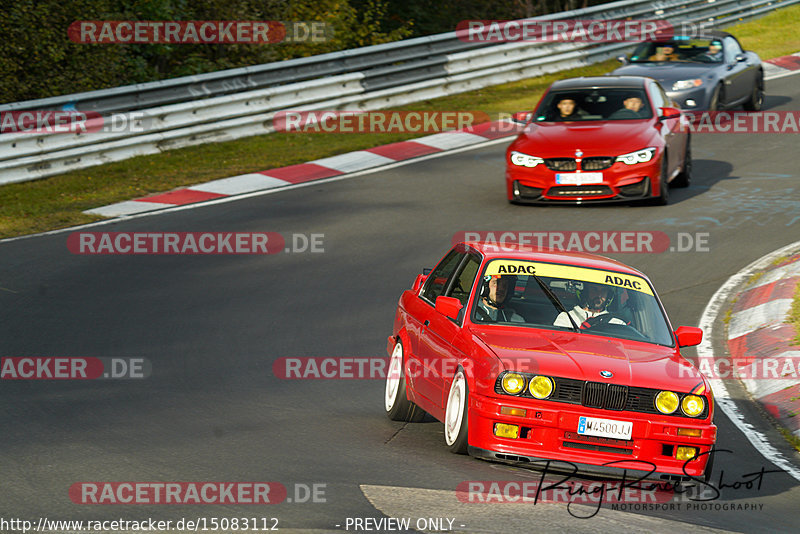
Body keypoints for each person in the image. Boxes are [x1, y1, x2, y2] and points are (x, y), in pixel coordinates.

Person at [553, 282, 626, 329]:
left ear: (609, 295)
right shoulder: (567, 317)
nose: (599, 295)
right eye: (594, 289)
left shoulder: (617, 323)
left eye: (603, 290)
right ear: (585, 292)